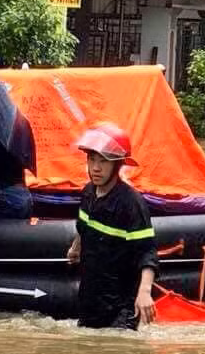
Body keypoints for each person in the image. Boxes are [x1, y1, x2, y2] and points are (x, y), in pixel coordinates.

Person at [66, 123, 158, 330]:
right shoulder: (88, 192)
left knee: (117, 353)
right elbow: (83, 225)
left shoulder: (131, 203)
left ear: (117, 165)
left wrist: (144, 292)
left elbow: (147, 252)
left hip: (122, 304)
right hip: (91, 297)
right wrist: (76, 247)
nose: (96, 168)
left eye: (104, 161)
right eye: (92, 160)